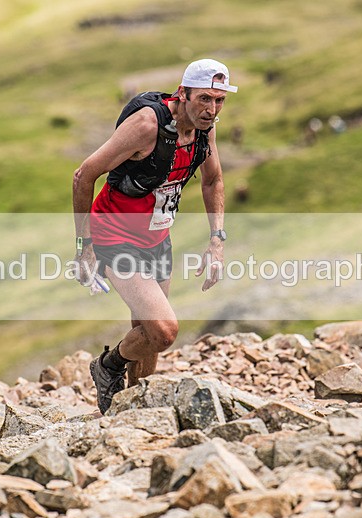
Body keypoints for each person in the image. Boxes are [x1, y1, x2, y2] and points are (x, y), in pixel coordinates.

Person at [72, 59, 237, 414]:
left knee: (147, 336)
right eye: (204, 99)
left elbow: (213, 180)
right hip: (114, 234)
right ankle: (108, 366)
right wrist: (84, 246)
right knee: (164, 331)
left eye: (219, 100)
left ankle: (132, 411)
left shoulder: (205, 128)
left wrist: (216, 241)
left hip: (157, 238)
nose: (211, 109)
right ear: (183, 93)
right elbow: (83, 175)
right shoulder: (146, 125)